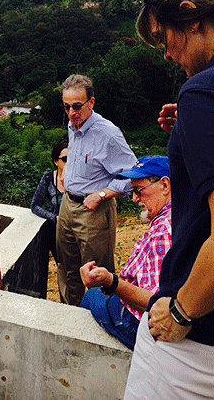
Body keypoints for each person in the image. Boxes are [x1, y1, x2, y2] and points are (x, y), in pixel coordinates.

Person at [124, 0, 214, 400]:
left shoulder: (207, 93)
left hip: (206, 343)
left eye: (162, 35)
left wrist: (181, 312)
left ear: (190, 15)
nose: (166, 54)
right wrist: (191, 133)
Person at [57, 74, 137, 306]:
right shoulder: (74, 126)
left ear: (91, 103)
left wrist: (102, 194)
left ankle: (99, 322)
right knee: (67, 269)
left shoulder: (108, 134)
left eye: (77, 106)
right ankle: (70, 316)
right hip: (68, 205)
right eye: (66, 107)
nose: (72, 113)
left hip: (94, 211)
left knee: (96, 273)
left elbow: (132, 174)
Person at [80, 156, 172, 351]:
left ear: (165, 185)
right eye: (132, 191)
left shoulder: (165, 230)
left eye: (139, 191)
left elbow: (155, 305)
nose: (134, 199)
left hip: (140, 325)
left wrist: (110, 282)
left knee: (91, 296)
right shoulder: (175, 215)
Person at [31, 140, 68, 263]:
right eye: (65, 159)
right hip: (57, 231)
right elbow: (35, 205)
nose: (69, 163)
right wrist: (54, 217)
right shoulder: (48, 179)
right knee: (62, 266)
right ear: (56, 162)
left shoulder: (79, 179)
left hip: (76, 228)